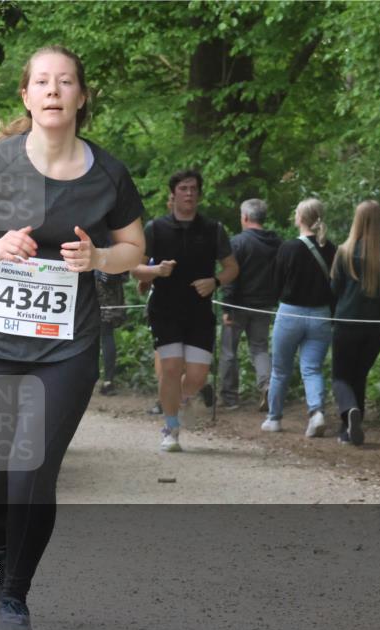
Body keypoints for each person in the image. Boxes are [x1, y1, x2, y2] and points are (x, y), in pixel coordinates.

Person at [0, 45, 145, 630]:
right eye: (41, 82)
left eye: (65, 81)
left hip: (66, 348)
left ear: (80, 96)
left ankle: (15, 596)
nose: (53, 91)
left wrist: (100, 258)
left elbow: (134, 250)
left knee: (32, 474)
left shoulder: (108, 174)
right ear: (26, 95)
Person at [131, 170, 238, 452]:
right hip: (165, 309)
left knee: (198, 376)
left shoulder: (214, 229)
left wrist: (214, 282)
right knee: (170, 368)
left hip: (199, 312)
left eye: (193, 189)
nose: (189, 193)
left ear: (199, 195)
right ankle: (171, 427)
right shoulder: (155, 228)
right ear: (174, 193)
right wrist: (156, 270)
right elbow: (135, 269)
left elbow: (232, 268)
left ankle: (183, 398)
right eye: (183, 188)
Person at [262, 198, 335, 437]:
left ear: (300, 218)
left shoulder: (289, 247)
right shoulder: (331, 248)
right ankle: (316, 413)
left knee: (280, 370)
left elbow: (275, 282)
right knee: (312, 369)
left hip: (290, 312)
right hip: (322, 314)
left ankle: (274, 418)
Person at [330, 200, 380, 445]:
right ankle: (348, 429)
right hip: (376, 328)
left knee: (340, 377)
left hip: (347, 324)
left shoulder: (345, 251)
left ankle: (349, 412)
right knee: (359, 376)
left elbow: (334, 290)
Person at [218, 199, 282, 411]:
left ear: (245, 217)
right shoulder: (277, 243)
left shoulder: (237, 242)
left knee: (229, 350)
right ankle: (267, 385)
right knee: (260, 348)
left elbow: (231, 276)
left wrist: (226, 307)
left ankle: (230, 397)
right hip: (263, 306)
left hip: (238, 305)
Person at [96, 269, 129, 395]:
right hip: (110, 292)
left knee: (104, 336)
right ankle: (107, 381)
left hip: (100, 292)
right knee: (106, 336)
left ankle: (107, 381)